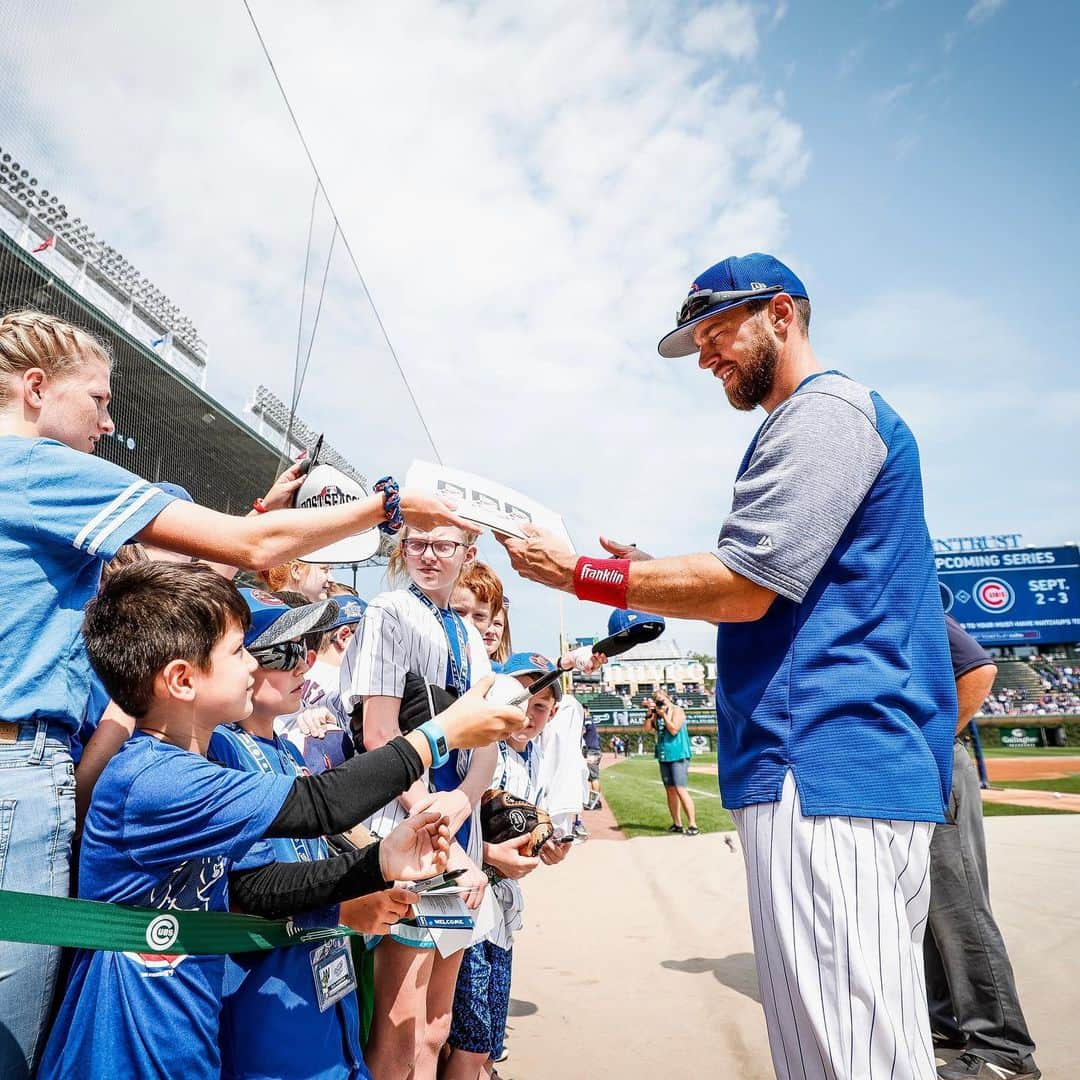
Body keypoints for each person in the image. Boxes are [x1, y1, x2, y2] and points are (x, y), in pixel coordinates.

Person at [499, 252, 956, 1080]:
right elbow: (766, 584)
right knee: (850, 1052)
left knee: (851, 1059)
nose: (705, 356)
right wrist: (648, 569)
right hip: (835, 771)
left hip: (821, 766)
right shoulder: (825, 418)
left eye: (717, 332)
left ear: (781, 312)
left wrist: (580, 573)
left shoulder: (822, 413)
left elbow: (744, 586)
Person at [0, 310, 476, 1075]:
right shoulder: (32, 465)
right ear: (34, 389)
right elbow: (241, 563)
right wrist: (390, 509)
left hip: (49, 770)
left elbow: (169, 625)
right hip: (22, 772)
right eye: (97, 398)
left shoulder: (154, 745)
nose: (109, 420)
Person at [38, 562, 525, 1080]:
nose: (252, 664)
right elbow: (319, 806)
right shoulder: (152, 779)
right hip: (124, 1055)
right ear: (182, 679)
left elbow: (259, 876)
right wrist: (440, 734)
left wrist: (380, 862)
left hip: (189, 1045)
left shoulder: (191, 763)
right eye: (240, 650)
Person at [208, 587, 419, 1080]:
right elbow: (247, 888)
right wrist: (344, 906)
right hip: (269, 1006)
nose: (303, 663)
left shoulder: (288, 749)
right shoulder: (222, 751)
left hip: (320, 999)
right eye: (284, 651)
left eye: (306, 646)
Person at [339, 524, 496, 1080]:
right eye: (416, 543)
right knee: (398, 1026)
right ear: (401, 550)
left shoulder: (470, 633)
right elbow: (380, 735)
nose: (429, 555)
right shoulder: (388, 611)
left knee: (435, 1023)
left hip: (454, 842)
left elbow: (486, 743)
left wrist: (463, 804)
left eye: (443, 545)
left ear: (467, 554)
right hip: (409, 839)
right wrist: (440, 830)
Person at [445, 652, 571, 1080]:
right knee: (468, 1039)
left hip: (500, 911)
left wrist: (546, 848)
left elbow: (525, 831)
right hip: (465, 904)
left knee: (489, 1039)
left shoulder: (531, 757)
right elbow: (445, 819)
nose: (530, 713)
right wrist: (486, 854)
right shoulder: (482, 747)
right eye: (523, 698)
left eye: (541, 706)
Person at [927, 617, 1040, 1080]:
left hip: (934, 767)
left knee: (961, 908)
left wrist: (932, 746)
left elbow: (979, 668)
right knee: (928, 905)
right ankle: (945, 1022)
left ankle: (1003, 1045)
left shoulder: (908, 590)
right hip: (911, 772)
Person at [644, 687, 698, 835]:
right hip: (664, 754)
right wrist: (650, 714)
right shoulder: (656, 714)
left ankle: (693, 824)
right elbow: (647, 729)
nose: (660, 703)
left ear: (668, 698)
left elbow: (674, 730)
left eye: (662, 700)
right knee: (670, 790)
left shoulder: (677, 711)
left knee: (680, 789)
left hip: (678, 753)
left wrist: (664, 715)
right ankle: (677, 823)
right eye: (657, 701)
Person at [582, 707, 603, 810]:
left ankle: (595, 803)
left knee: (593, 777)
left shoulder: (587, 720)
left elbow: (581, 732)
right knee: (593, 777)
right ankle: (595, 802)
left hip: (592, 751)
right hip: (593, 750)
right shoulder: (589, 721)